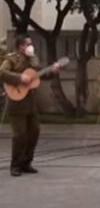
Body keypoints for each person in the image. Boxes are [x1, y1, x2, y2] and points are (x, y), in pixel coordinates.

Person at [0, 34, 60, 177]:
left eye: (30, 43)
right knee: (20, 135)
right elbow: (2, 72)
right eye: (27, 44)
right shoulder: (11, 59)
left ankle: (26, 162)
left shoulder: (33, 59)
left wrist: (52, 71)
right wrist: (19, 77)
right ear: (20, 46)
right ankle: (15, 165)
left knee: (34, 132)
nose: (30, 46)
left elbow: (39, 75)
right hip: (16, 102)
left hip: (30, 102)